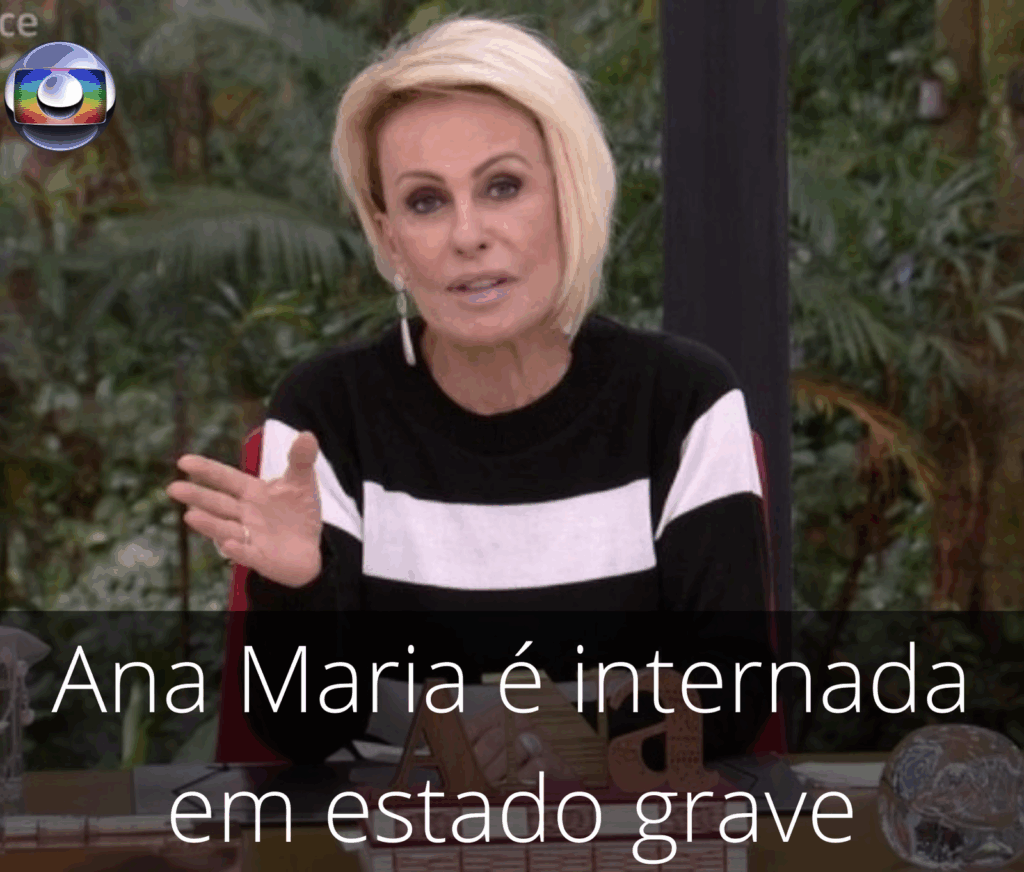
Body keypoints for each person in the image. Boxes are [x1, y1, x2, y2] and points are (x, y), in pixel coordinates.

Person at [166, 15, 774, 776]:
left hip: (623, 824)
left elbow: (737, 694)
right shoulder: (325, 412)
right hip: (387, 825)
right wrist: (301, 589)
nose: (467, 234)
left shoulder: (683, 400)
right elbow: (299, 735)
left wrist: (568, 737)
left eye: (503, 187)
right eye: (425, 202)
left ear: (568, 196)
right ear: (391, 239)